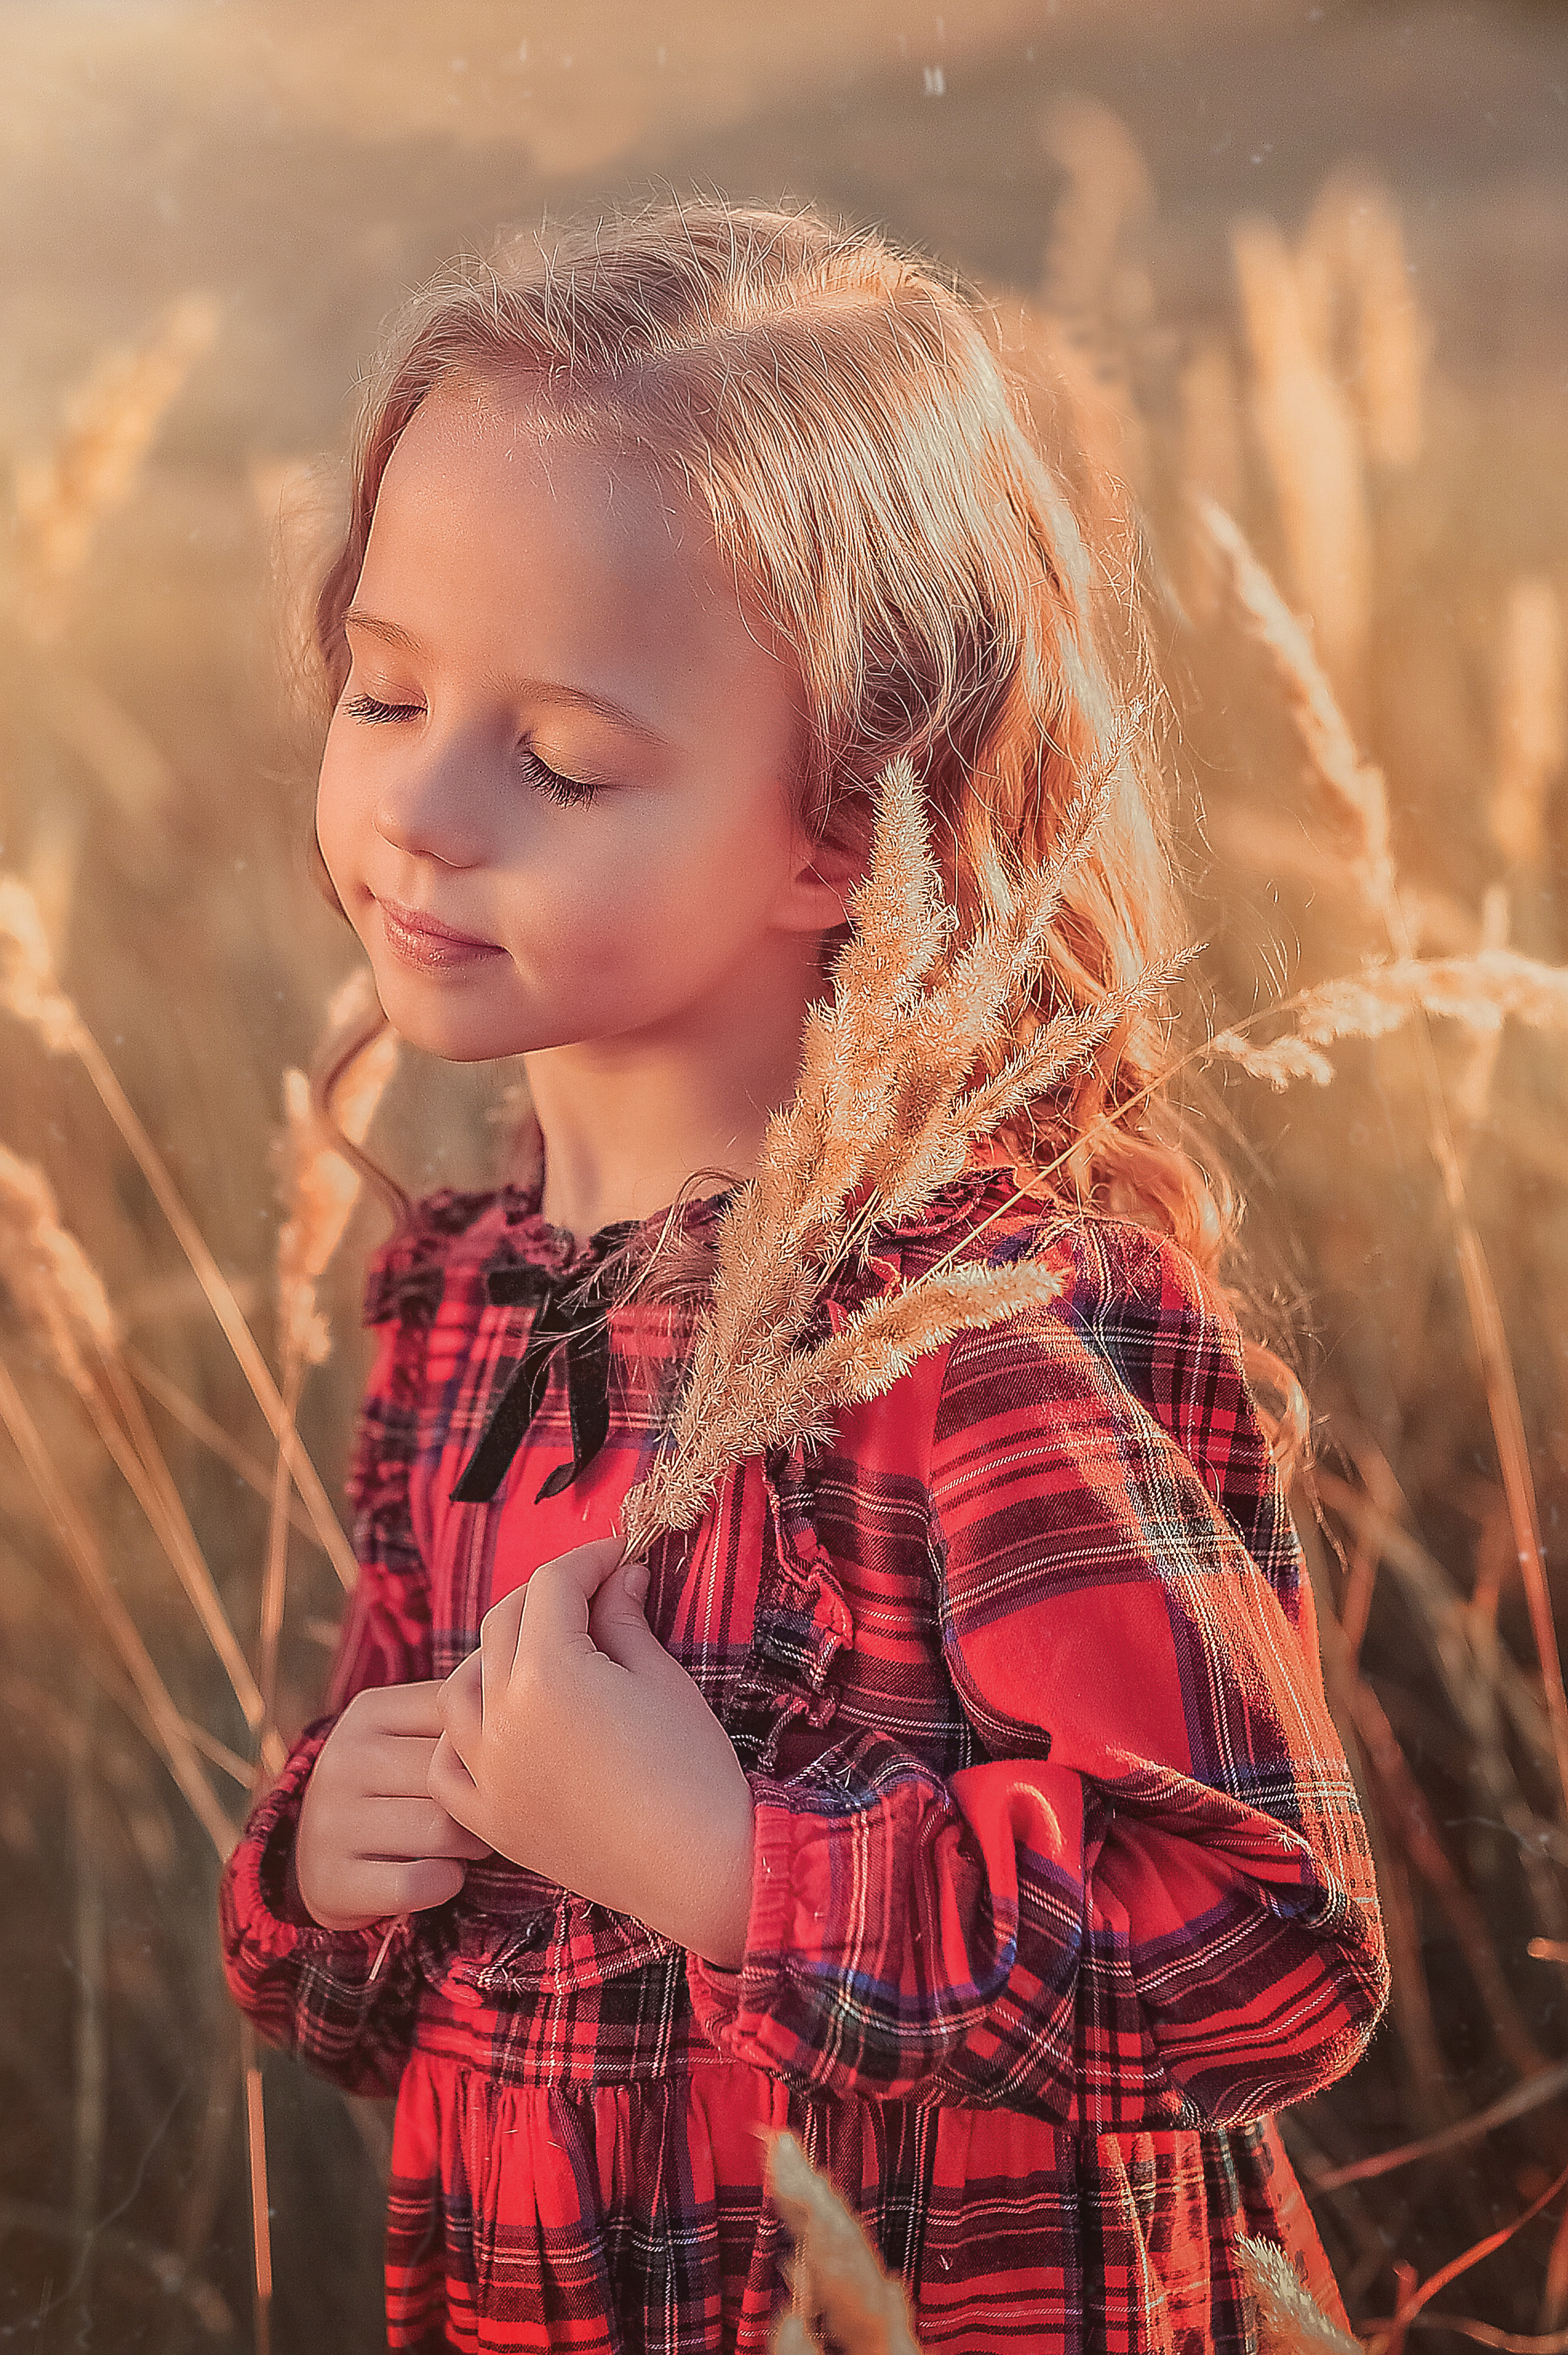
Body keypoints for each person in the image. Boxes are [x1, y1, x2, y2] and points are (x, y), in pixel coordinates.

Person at [219, 199, 1387, 2354]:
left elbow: (1261, 1947)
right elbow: (416, 1944)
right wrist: (323, 1866)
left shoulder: (970, 1339)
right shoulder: (467, 1306)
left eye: (559, 756)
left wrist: (736, 1864)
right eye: (385, 691)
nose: (421, 809)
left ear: (850, 824)